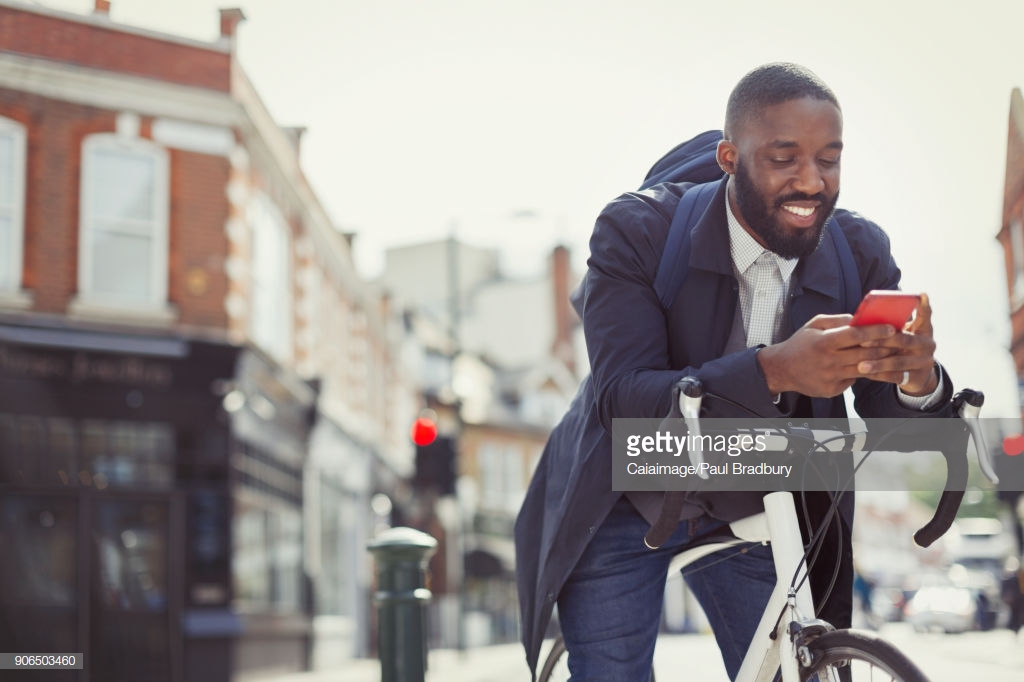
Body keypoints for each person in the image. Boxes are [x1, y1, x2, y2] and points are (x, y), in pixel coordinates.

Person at [514, 62, 955, 681]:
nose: (812, 181)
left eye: (829, 159)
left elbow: (889, 411)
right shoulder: (637, 230)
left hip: (754, 489)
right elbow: (623, 401)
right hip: (627, 494)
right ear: (729, 157)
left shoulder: (858, 251)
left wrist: (916, 380)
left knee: (785, 667)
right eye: (784, 158)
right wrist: (773, 369)